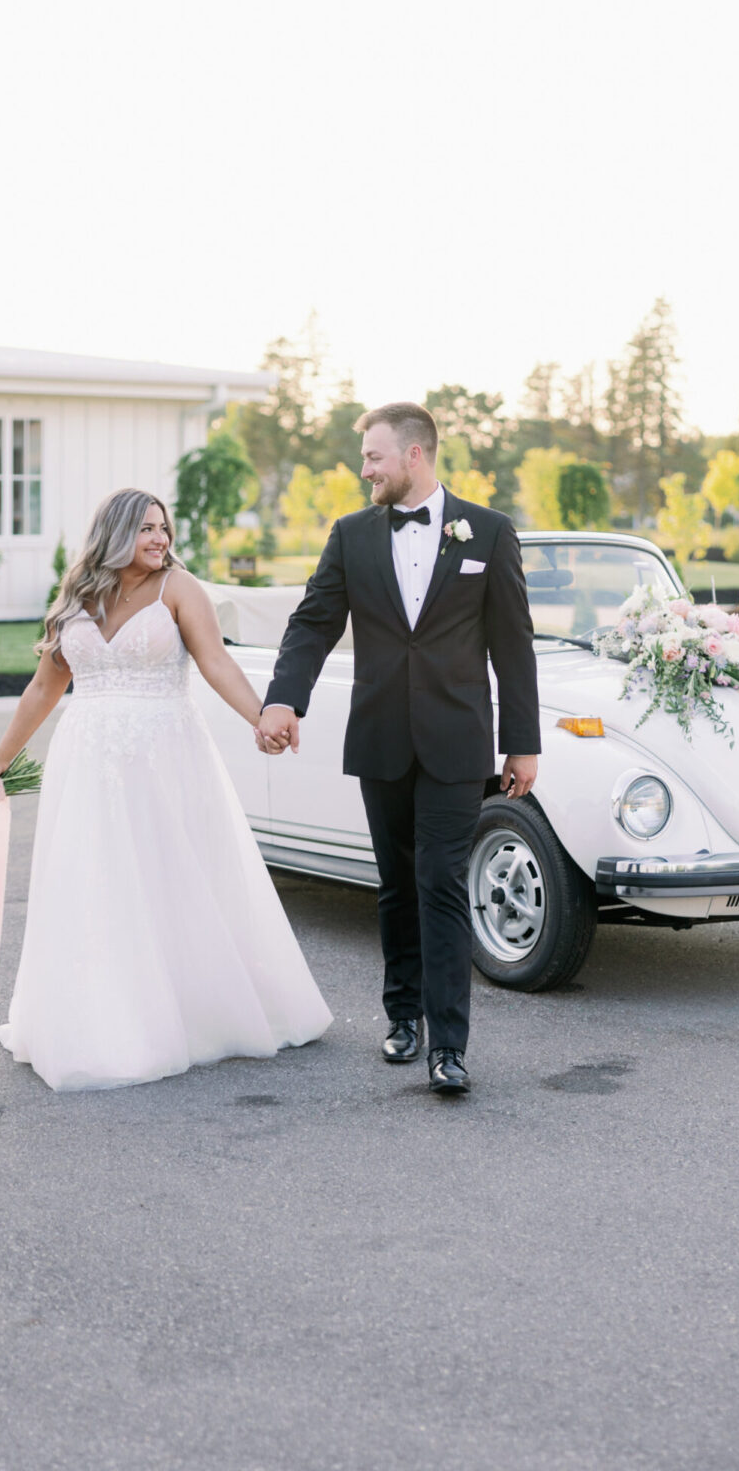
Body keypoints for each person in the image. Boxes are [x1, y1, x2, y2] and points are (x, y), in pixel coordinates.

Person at [0, 488, 330, 1092]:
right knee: (96, 883)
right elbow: (43, 689)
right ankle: (103, 1019)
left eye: (163, 528)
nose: (160, 539)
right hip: (86, 760)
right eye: (145, 529)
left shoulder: (179, 590)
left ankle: (191, 1012)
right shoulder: (78, 598)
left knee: (171, 876)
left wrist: (262, 717)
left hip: (167, 756)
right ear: (114, 534)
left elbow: (216, 662)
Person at [259, 402, 540, 1095]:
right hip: (381, 737)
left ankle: (448, 1046)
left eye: (373, 457)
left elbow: (514, 645)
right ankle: (403, 1018)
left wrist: (522, 744)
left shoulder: (491, 534)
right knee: (395, 888)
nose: (364, 471)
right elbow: (312, 623)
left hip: (457, 742)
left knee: (440, 884)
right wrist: (283, 699)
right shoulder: (350, 536)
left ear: (415, 455)